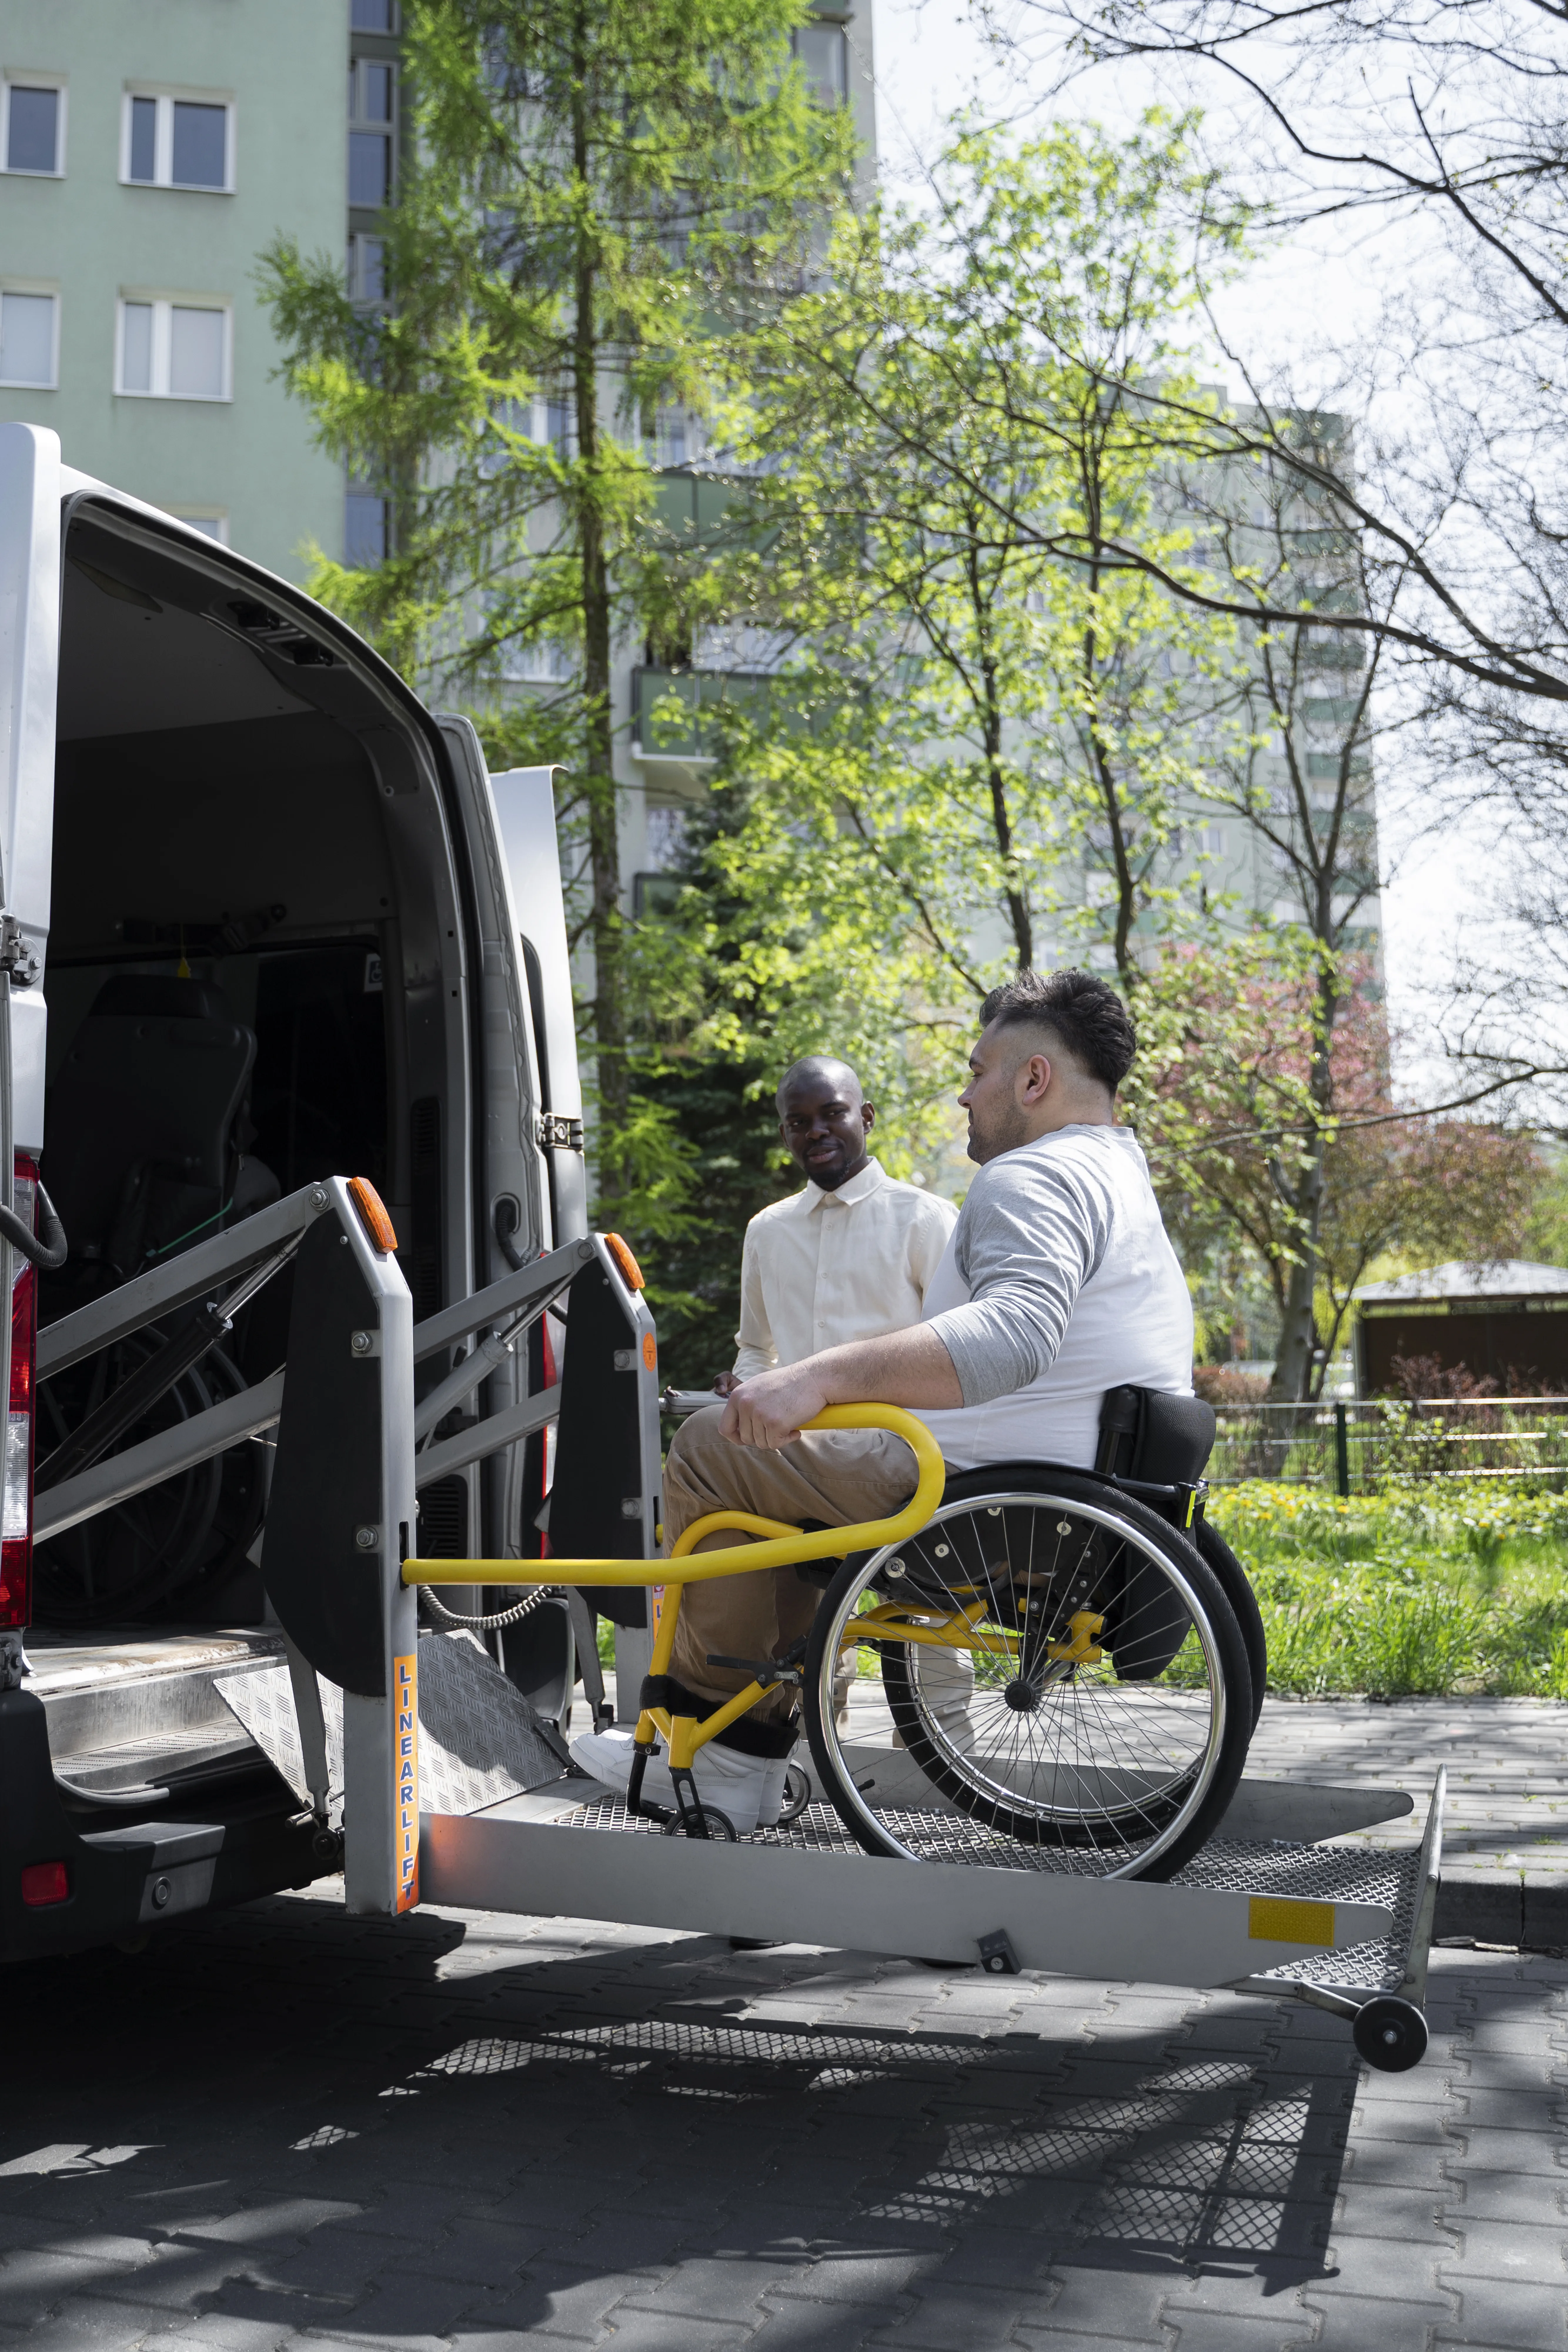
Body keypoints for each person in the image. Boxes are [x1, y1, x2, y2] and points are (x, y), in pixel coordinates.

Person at [573, 969, 1195, 1831]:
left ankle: (721, 1757)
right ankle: (743, 1757)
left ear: (1033, 1080)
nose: (963, 1092)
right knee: (772, 1475)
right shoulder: (1118, 1179)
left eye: (978, 1071)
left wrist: (813, 1378)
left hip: (968, 1495)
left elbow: (1017, 1333)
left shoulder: (1028, 1179)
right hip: (1066, 1502)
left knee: (714, 1450)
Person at [571, 1054, 955, 1827]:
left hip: (894, 1455)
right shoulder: (768, 1231)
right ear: (783, 1133)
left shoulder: (925, 1219)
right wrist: (748, 1388)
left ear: (866, 1115)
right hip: (801, 1461)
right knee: (750, 1522)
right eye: (798, 1121)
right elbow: (756, 1350)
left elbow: (955, 1350)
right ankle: (756, 1771)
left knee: (707, 1457)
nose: (816, 1131)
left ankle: (712, 1729)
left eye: (832, 1114)